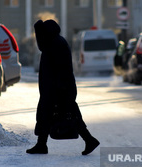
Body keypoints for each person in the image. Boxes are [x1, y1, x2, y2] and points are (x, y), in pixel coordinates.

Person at [26, 20, 100, 155]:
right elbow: (42, 46)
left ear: (48, 32)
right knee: (46, 114)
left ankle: (89, 140)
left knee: (69, 115)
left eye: (43, 33)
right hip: (56, 89)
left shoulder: (56, 43)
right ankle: (42, 144)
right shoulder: (54, 42)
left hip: (60, 89)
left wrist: (61, 90)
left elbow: (61, 69)